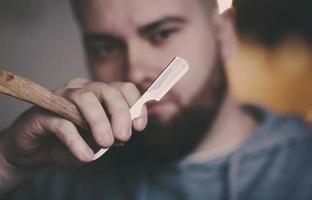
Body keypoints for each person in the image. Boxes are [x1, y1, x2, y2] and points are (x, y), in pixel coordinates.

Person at [0, 0, 312, 199]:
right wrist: (7, 164)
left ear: (223, 35)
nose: (135, 70)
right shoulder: (57, 171)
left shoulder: (303, 170)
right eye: (105, 48)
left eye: (161, 33)